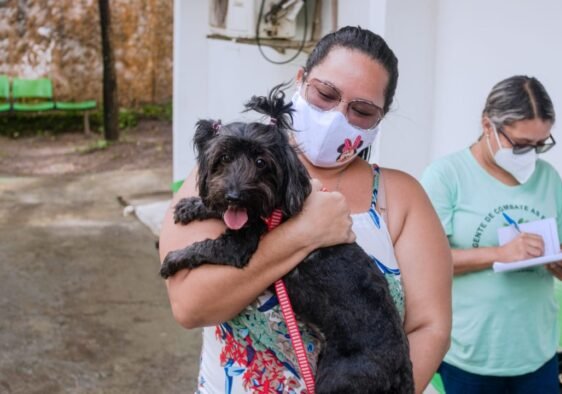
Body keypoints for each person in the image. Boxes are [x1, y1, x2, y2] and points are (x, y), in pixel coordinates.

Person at [159, 26, 452, 393]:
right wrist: (303, 234)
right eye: (325, 94)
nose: (337, 117)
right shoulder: (225, 174)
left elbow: (431, 327)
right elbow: (190, 307)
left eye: (361, 110)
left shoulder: (403, 196)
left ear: (380, 119)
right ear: (300, 80)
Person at [420, 75, 562, 393]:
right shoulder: (446, 177)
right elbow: (424, 264)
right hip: (469, 354)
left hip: (537, 352)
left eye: (541, 145)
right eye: (522, 144)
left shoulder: (548, 178)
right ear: (488, 126)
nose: (531, 155)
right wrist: (499, 254)